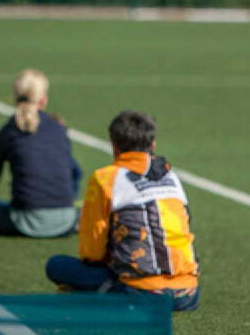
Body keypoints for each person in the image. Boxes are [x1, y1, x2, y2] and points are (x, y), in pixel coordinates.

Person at [45, 110, 200, 311]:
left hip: (142, 293)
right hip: (187, 294)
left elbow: (92, 252)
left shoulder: (105, 179)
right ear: (152, 144)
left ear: (114, 146)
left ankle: (97, 297)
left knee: (56, 266)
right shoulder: (170, 175)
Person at [0, 69, 80, 237]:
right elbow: (75, 173)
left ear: (15, 98)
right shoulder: (59, 128)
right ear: (43, 100)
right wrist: (65, 202)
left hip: (25, 221)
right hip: (67, 219)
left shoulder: (8, 132)